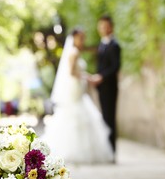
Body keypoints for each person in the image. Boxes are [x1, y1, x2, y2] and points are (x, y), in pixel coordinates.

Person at [43, 28, 114, 164]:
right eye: (80, 38)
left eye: (83, 38)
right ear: (74, 38)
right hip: (74, 89)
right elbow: (71, 73)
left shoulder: (75, 52)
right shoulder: (73, 52)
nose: (82, 41)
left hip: (78, 89)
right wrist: (87, 77)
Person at [90, 15, 121, 159]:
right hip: (101, 88)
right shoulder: (101, 45)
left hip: (110, 87)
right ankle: (106, 151)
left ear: (111, 27)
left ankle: (112, 152)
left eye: (106, 26)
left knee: (110, 119)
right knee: (104, 119)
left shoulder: (115, 45)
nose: (104, 29)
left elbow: (115, 66)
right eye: (101, 26)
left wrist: (101, 76)